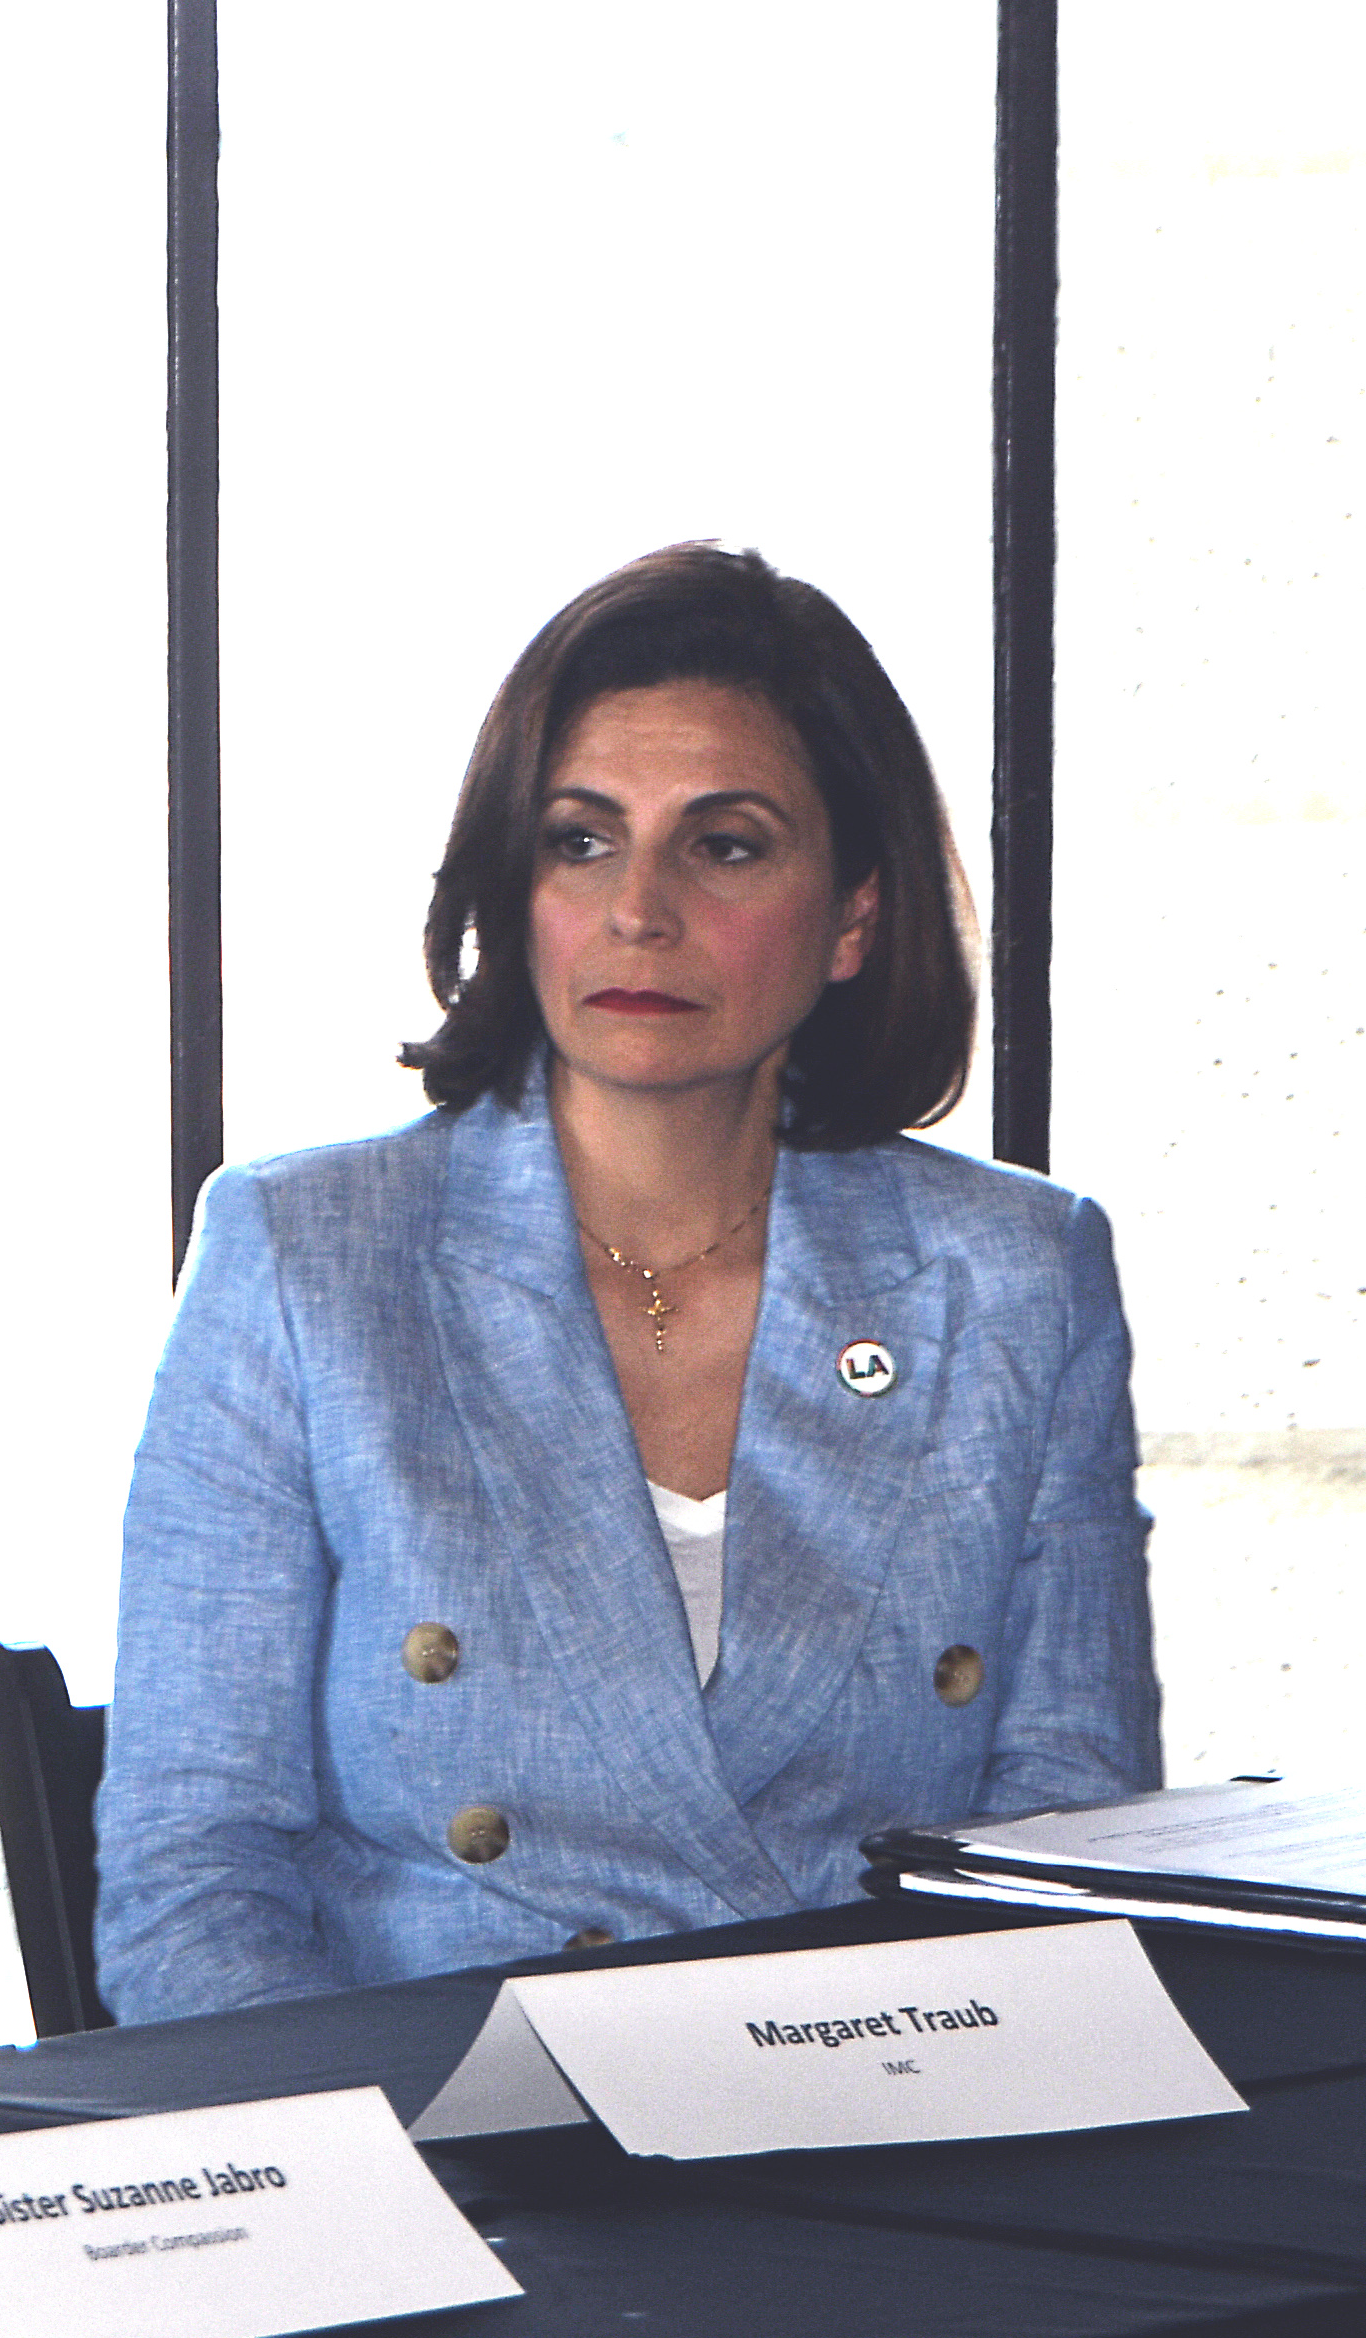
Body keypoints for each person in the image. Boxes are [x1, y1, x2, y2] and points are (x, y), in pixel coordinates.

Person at [97, 543, 1159, 2013]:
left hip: (885, 2130)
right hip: (446, 2151)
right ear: (509, 888)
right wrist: (370, 2191)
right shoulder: (305, 1255)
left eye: (724, 846)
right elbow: (193, 1871)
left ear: (854, 914)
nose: (638, 912)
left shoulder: (1015, 1276)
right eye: (580, 841)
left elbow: (1071, 1838)